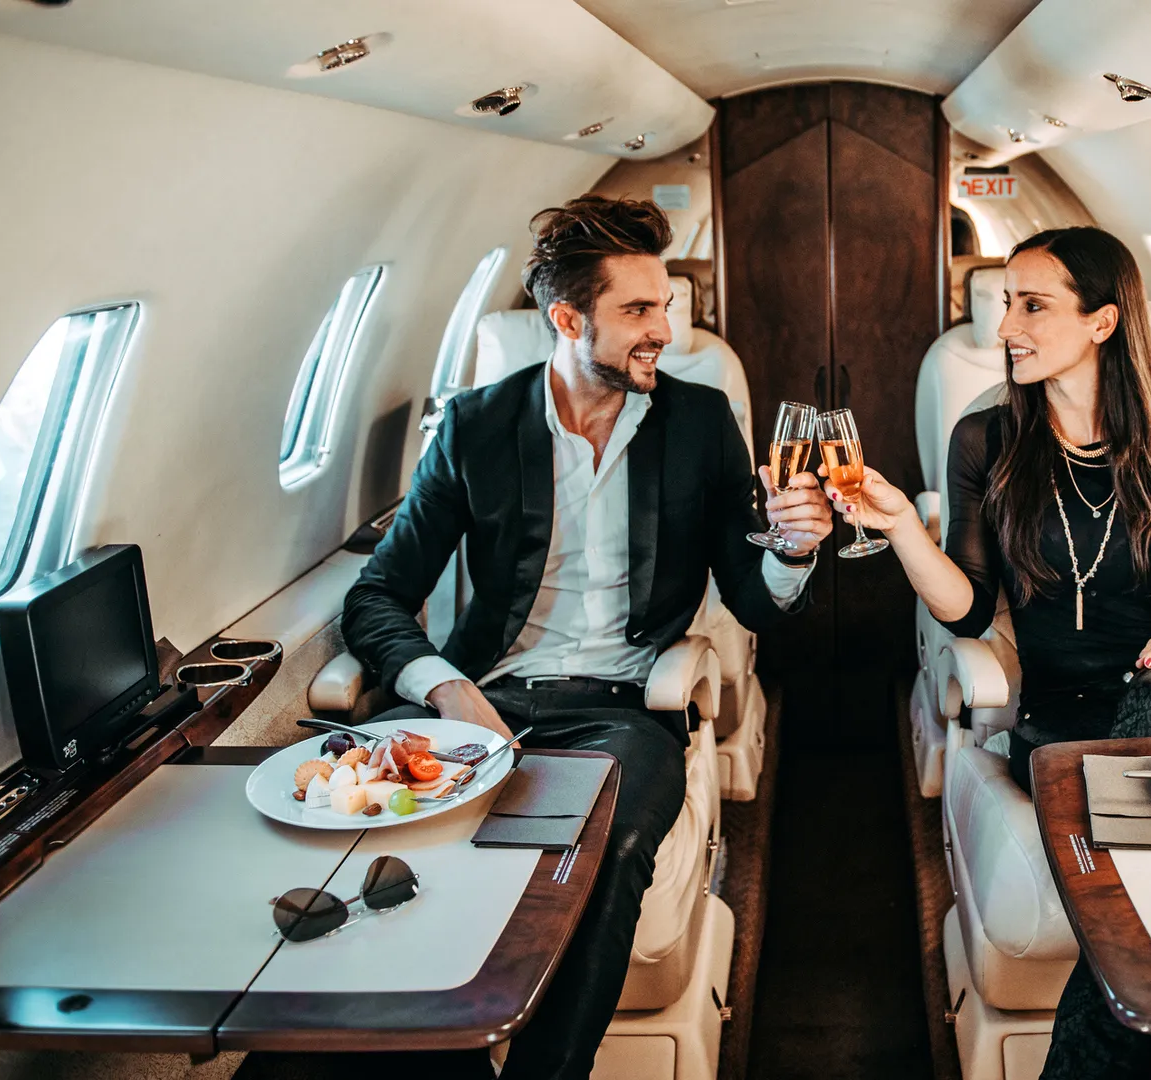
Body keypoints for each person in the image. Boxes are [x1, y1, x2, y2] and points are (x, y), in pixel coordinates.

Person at [340, 195, 833, 1080]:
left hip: (621, 711)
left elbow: (752, 605)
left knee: (606, 850)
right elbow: (377, 596)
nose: (666, 332)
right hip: (484, 698)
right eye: (638, 312)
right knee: (404, 869)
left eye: (666, 306)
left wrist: (794, 550)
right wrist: (447, 689)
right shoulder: (476, 427)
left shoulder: (700, 423)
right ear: (568, 320)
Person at [823, 225, 1151, 1079]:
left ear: (1102, 322)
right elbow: (968, 611)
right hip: (1064, 733)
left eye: (1032, 306)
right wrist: (907, 529)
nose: (1005, 328)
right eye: (1004, 305)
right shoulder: (985, 442)